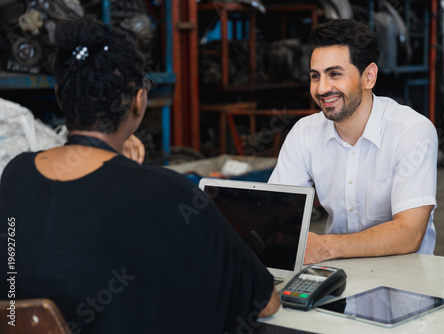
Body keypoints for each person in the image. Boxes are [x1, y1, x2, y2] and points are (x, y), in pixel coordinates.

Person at [0, 18, 279, 333]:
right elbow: (265, 300)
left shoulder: (16, 175)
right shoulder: (165, 190)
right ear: (138, 101)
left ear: (61, 96)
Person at [269, 19, 438, 264]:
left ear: (368, 76)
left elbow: (409, 234)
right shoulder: (305, 133)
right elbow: (276, 214)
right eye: (315, 76)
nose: (322, 88)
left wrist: (325, 247)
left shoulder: (411, 132)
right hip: (335, 276)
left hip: (405, 279)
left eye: (334, 74)